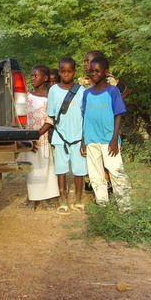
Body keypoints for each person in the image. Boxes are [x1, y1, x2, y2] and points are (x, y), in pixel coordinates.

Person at [81, 56, 131, 211]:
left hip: (109, 141)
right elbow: (85, 118)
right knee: (95, 175)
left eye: (97, 71)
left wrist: (114, 139)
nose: (93, 74)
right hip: (91, 140)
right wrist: (83, 140)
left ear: (106, 72)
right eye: (91, 71)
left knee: (116, 172)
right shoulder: (87, 94)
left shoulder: (113, 91)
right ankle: (103, 205)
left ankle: (125, 207)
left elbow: (118, 114)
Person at [47, 58, 88, 214]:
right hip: (60, 137)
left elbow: (85, 116)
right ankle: (62, 200)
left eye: (69, 71)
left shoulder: (82, 91)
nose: (66, 74)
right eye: (63, 71)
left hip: (78, 138)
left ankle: (78, 200)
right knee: (61, 170)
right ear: (59, 72)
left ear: (74, 72)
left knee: (79, 171)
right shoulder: (53, 91)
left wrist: (84, 140)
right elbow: (51, 115)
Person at [23, 65, 59, 209]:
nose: (32, 79)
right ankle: (33, 197)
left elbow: (50, 119)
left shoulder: (50, 98)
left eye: (35, 76)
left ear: (45, 78)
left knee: (46, 167)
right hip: (29, 139)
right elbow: (22, 119)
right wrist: (28, 137)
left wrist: (37, 135)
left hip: (43, 138)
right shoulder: (27, 97)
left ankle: (49, 197)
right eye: (31, 76)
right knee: (31, 167)